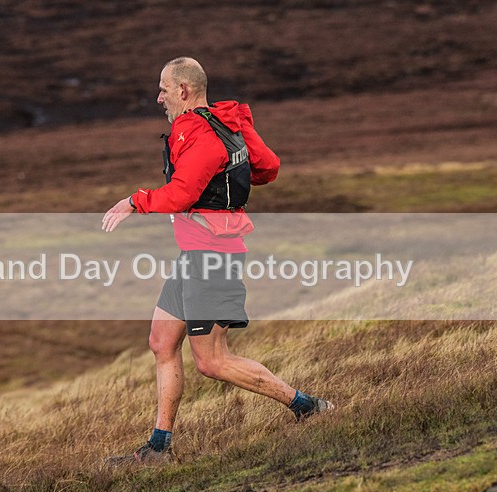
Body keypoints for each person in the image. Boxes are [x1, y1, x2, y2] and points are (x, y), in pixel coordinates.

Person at [101, 57, 333, 466]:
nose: (159, 97)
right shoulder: (226, 123)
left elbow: (181, 194)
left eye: (164, 88)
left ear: (184, 91)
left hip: (213, 259)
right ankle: (158, 448)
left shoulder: (201, 134)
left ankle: (306, 405)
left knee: (213, 361)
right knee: (161, 343)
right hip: (194, 256)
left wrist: (134, 201)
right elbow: (268, 167)